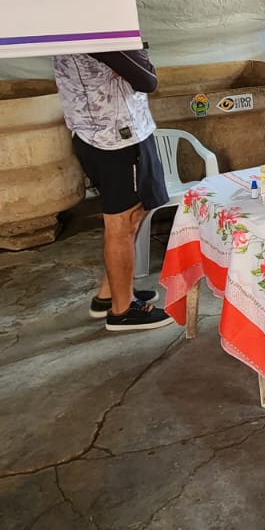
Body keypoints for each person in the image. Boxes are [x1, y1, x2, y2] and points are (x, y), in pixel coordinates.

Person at [53, 47, 173, 331]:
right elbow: (147, 79)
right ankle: (123, 310)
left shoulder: (77, 25)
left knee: (130, 217)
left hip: (105, 130)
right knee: (124, 221)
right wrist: (140, 57)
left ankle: (110, 295)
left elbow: (137, 67)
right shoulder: (98, 28)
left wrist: (137, 58)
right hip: (115, 135)